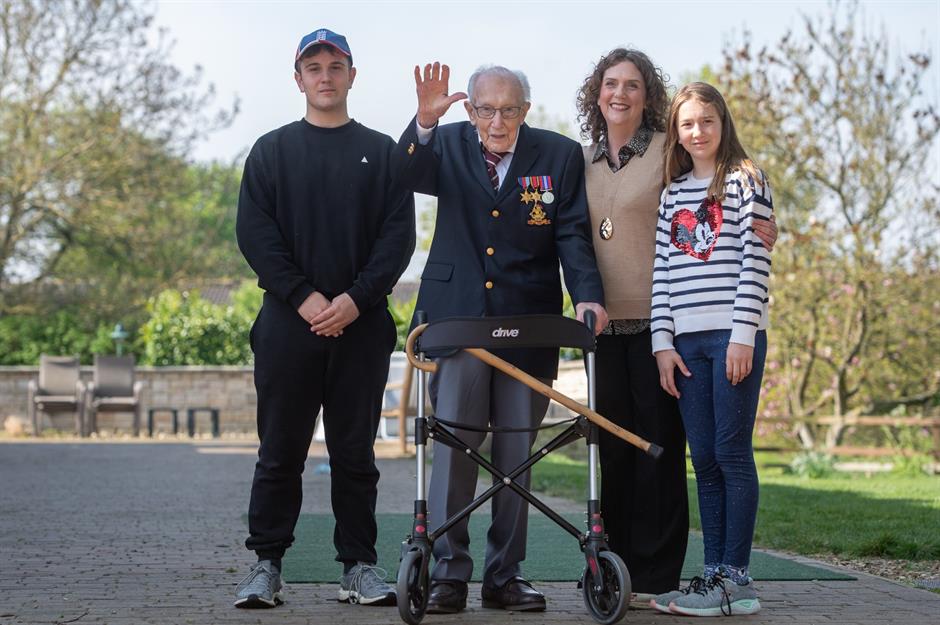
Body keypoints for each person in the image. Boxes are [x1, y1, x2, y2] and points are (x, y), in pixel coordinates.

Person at [392, 62, 607, 614]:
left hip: (528, 324)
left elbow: (571, 230)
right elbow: (404, 174)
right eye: (486, 109)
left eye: (509, 110)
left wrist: (586, 294)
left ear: (526, 111)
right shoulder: (447, 142)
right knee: (455, 449)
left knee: (516, 454)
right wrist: (422, 120)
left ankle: (505, 576)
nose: (497, 121)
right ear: (469, 110)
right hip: (458, 321)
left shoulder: (558, 154)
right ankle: (447, 574)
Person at [576, 49, 777, 605]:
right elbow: (662, 262)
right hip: (653, 332)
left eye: (633, 85)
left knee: (702, 453)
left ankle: (711, 575)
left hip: (705, 333)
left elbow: (749, 249)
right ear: (597, 92)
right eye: (611, 84)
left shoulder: (705, 166)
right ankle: (660, 571)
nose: (620, 94)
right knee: (663, 455)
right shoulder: (595, 162)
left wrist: (742, 329)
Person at [233, 28, 415, 609]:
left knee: (355, 454)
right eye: (314, 66)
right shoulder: (270, 152)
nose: (325, 75)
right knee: (280, 451)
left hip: (360, 328)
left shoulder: (383, 151)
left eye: (336, 65)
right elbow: (255, 236)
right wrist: (304, 297)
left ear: (352, 76)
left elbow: (397, 238)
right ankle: (266, 565)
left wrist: (356, 300)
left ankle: (359, 566)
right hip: (289, 326)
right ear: (298, 79)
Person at [650, 82, 773, 617]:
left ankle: (737, 580)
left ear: (723, 123)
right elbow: (662, 275)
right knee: (702, 458)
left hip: (732, 338)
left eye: (706, 121)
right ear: (676, 132)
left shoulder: (747, 182)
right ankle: (712, 575)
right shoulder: (673, 192)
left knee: (730, 453)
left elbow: (755, 261)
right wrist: (662, 344)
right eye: (686, 124)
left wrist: (743, 334)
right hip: (687, 345)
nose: (696, 132)